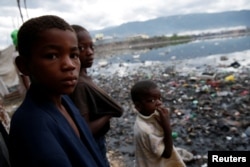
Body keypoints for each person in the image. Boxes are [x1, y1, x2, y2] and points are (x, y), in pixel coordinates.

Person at [9, 15, 108, 167]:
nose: (70, 65)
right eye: (52, 56)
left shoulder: (65, 101)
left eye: (73, 55)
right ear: (23, 65)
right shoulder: (32, 127)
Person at [69, 24, 123, 166]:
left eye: (91, 47)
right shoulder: (80, 85)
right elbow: (85, 130)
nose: (90, 52)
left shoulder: (83, 76)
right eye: (82, 48)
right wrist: (108, 114)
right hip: (94, 143)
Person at [130, 80, 186, 167]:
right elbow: (167, 154)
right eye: (152, 100)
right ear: (138, 106)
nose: (159, 103)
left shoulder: (148, 116)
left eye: (159, 98)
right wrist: (167, 126)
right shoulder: (145, 130)